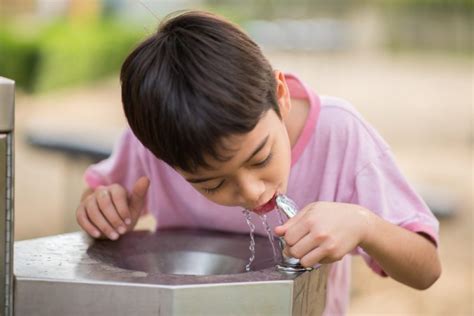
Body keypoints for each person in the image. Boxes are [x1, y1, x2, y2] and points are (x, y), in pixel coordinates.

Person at [76, 10, 441, 315]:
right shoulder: (157, 143)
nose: (251, 191)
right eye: (212, 184)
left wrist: (366, 226)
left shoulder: (339, 134)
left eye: (261, 157)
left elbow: (426, 268)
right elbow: (98, 201)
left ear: (280, 95)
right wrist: (102, 211)